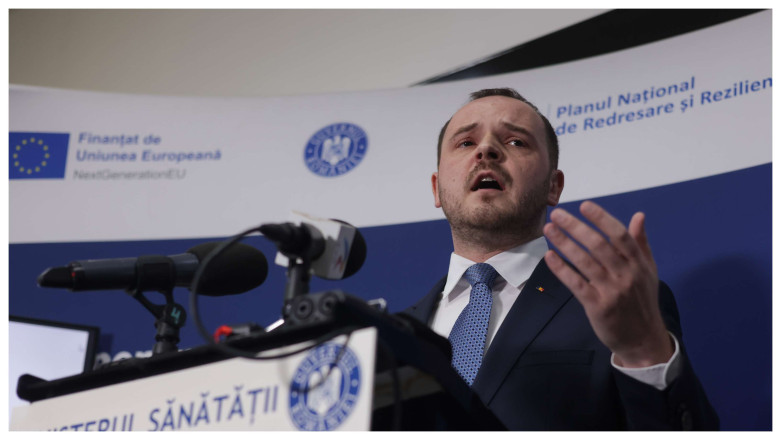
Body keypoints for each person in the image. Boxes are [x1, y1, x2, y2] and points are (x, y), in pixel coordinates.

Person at [404, 88, 719, 430]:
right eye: (466, 142)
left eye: (516, 142)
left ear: (553, 186)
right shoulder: (392, 336)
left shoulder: (618, 305)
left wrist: (644, 353)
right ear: (436, 187)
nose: (486, 150)